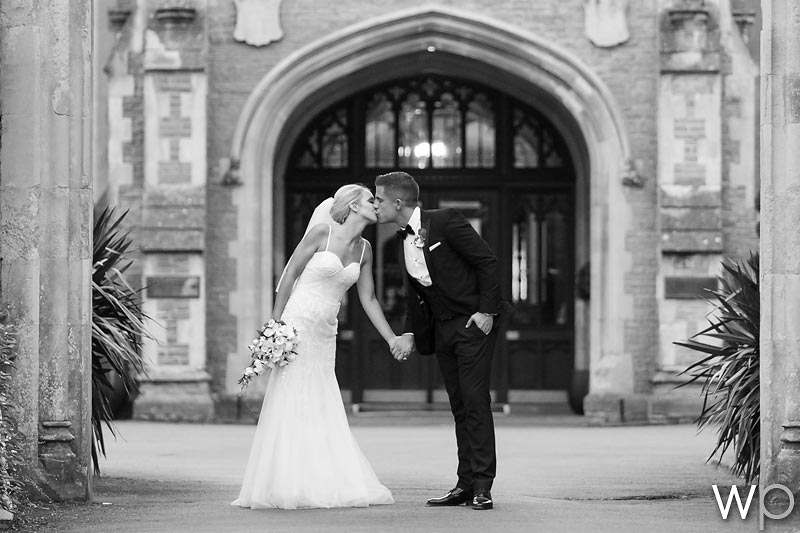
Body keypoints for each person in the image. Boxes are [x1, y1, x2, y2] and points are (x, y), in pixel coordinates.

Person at [232, 184, 400, 510]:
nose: (376, 205)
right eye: (370, 200)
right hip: (297, 325)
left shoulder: (365, 249)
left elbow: (368, 298)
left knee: (321, 397)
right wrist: (274, 324)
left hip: (326, 332)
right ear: (353, 206)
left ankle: (322, 477)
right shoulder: (321, 232)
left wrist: (391, 337)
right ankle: (286, 481)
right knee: (294, 397)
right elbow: (289, 274)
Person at [374, 171, 510, 511]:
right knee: (460, 405)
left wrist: (486, 312)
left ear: (398, 202)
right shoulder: (401, 241)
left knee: (476, 401)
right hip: (442, 331)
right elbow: (413, 297)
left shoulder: (446, 221)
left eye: (378, 200)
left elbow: (487, 262)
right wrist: (409, 333)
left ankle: (483, 486)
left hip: (472, 324)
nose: (375, 206)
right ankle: (464, 484)